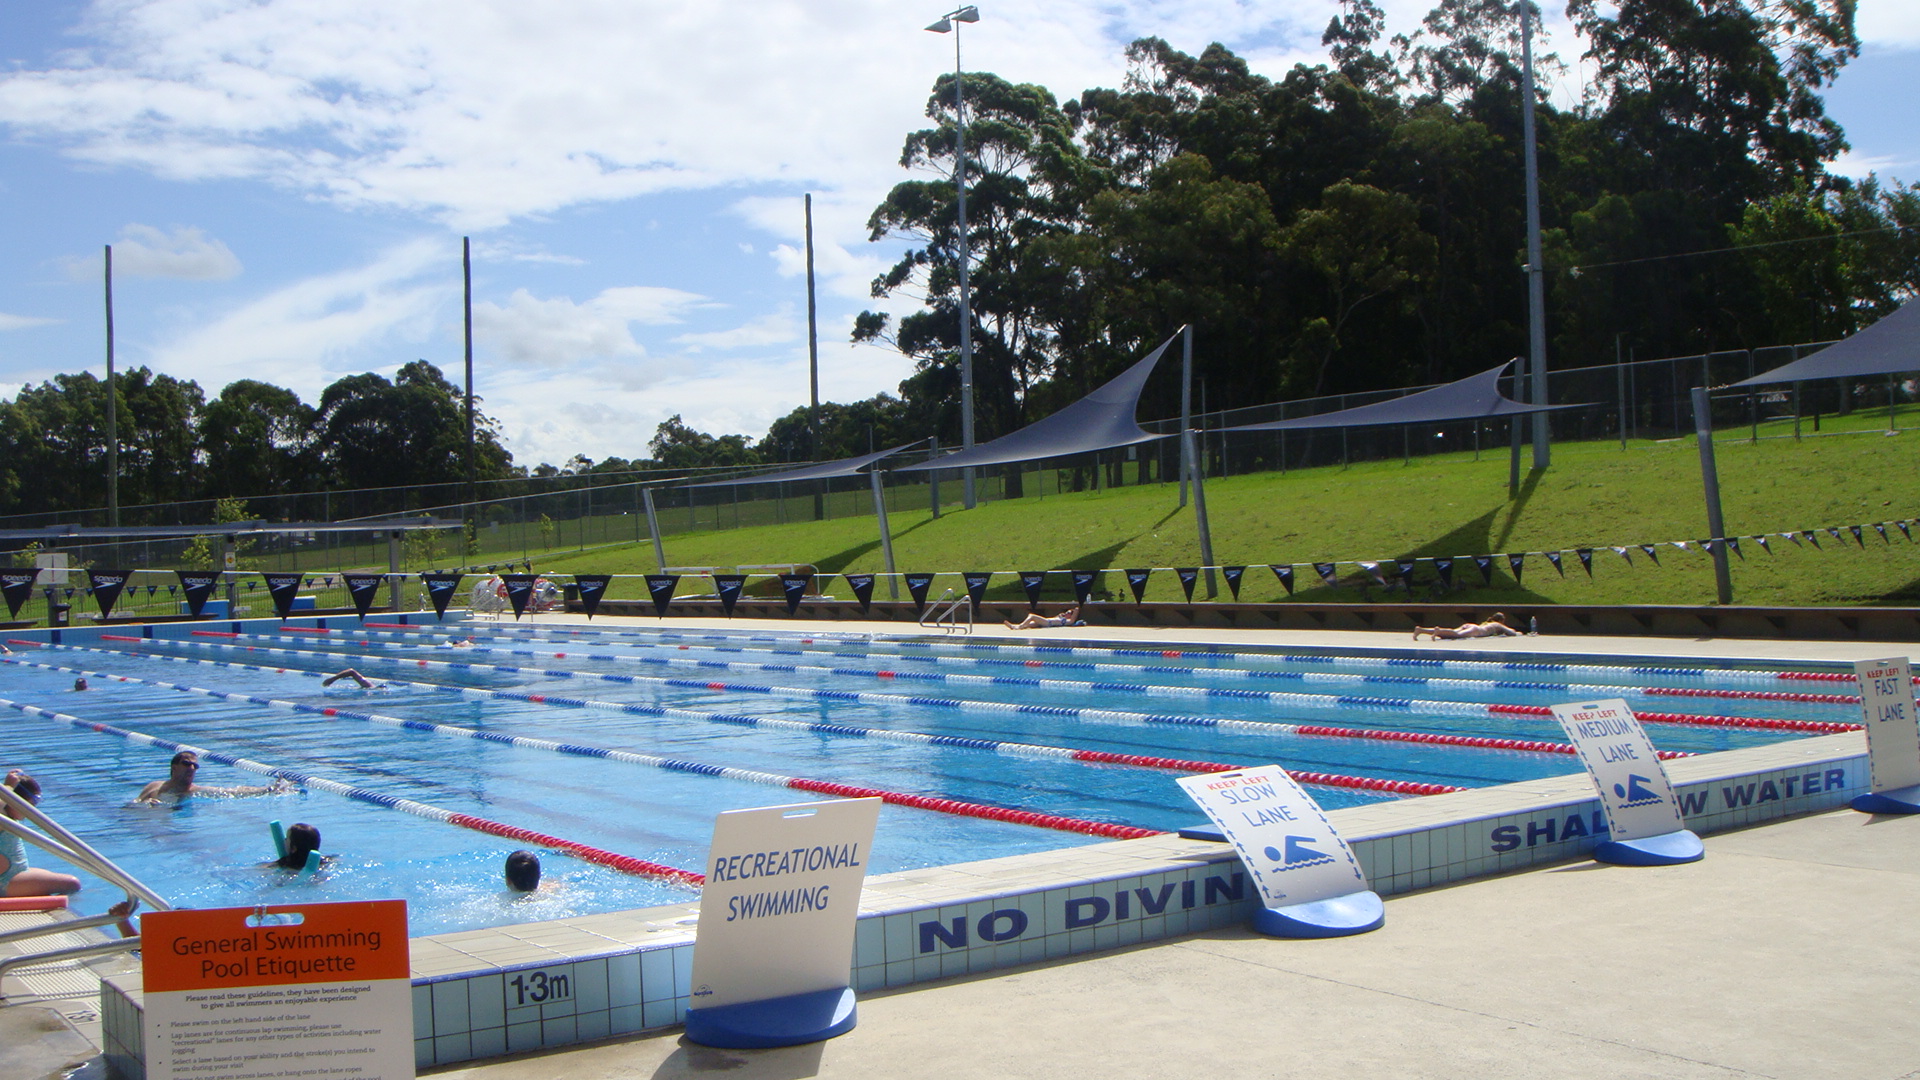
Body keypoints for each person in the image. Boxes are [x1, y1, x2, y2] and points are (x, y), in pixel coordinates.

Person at [1, 770, 82, 897]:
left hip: (15, 875)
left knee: (55, 879)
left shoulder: (9, 818)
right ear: (16, 800)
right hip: (7, 883)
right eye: (31, 803)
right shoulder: (3, 818)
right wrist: (8, 788)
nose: (32, 809)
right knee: (72, 884)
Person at [135, 750, 289, 803]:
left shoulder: (192, 791)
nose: (192, 768)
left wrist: (268, 789)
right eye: (187, 764)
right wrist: (144, 805)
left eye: (195, 766)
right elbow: (131, 806)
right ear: (174, 767)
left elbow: (233, 792)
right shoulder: (154, 785)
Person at [1412, 613, 1522, 641]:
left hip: (1469, 625)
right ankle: (1438, 630)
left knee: (1450, 634)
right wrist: (1519, 633)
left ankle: (1421, 630)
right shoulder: (1498, 624)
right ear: (1501, 620)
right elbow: (1512, 633)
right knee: (1456, 635)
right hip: (1476, 630)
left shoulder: (1488, 622)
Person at [1004, 606, 1084, 631]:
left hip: (1047, 622)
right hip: (1046, 622)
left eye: (1069, 613)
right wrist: (1060, 615)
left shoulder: (1069, 621)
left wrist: (1075, 610)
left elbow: (1076, 610)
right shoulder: (1061, 618)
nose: (1066, 613)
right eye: (1066, 611)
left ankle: (1018, 627)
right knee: (1031, 624)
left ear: (1071, 616)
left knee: (1032, 616)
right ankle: (1015, 626)